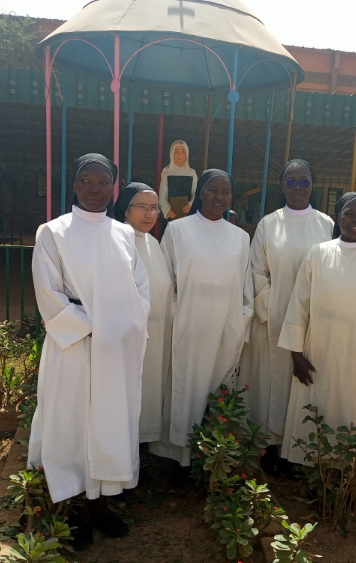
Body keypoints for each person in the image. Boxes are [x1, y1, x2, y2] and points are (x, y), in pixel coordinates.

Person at [29, 154, 150, 546]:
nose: (95, 188)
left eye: (103, 181)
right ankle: (76, 508)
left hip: (115, 350)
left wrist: (122, 327)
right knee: (72, 425)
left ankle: (101, 503)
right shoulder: (52, 233)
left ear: (113, 186)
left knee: (108, 422)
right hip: (75, 349)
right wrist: (93, 326)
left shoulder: (123, 234)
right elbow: (49, 293)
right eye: (87, 180)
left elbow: (140, 292)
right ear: (75, 184)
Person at [277, 192, 356, 466]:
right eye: (350, 214)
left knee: (352, 410)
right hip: (319, 351)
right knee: (316, 407)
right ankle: (313, 467)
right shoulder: (318, 253)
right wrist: (296, 354)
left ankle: (344, 470)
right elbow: (299, 304)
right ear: (337, 217)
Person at [151, 169, 253, 482]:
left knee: (216, 390)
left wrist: (240, 321)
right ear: (201, 193)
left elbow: (246, 287)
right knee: (185, 389)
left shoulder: (240, 237)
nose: (219, 197)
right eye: (213, 190)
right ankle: (178, 457)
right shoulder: (177, 231)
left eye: (226, 191)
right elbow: (165, 279)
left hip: (224, 328)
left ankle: (209, 457)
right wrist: (177, 317)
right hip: (187, 327)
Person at [239, 160, 334, 475]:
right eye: (290, 181)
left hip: (313, 321)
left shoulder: (326, 224)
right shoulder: (269, 223)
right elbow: (256, 271)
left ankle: (300, 448)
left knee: (303, 385)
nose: (297, 187)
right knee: (272, 386)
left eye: (303, 181)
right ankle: (270, 446)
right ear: (282, 186)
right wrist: (273, 312)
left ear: (312, 185)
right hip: (274, 320)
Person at [113, 183, 173, 445]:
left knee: (149, 387)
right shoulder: (116, 240)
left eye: (154, 208)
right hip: (128, 337)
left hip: (157, 336)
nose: (149, 214)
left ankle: (142, 445)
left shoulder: (153, 242)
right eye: (142, 207)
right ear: (125, 210)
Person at [158, 140, 198, 220]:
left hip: (188, 215)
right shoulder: (167, 172)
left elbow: (196, 193)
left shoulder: (191, 173)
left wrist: (190, 205)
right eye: (177, 151)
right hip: (171, 215)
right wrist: (168, 210)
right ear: (172, 153)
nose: (180, 155)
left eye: (183, 152)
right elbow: (162, 195)